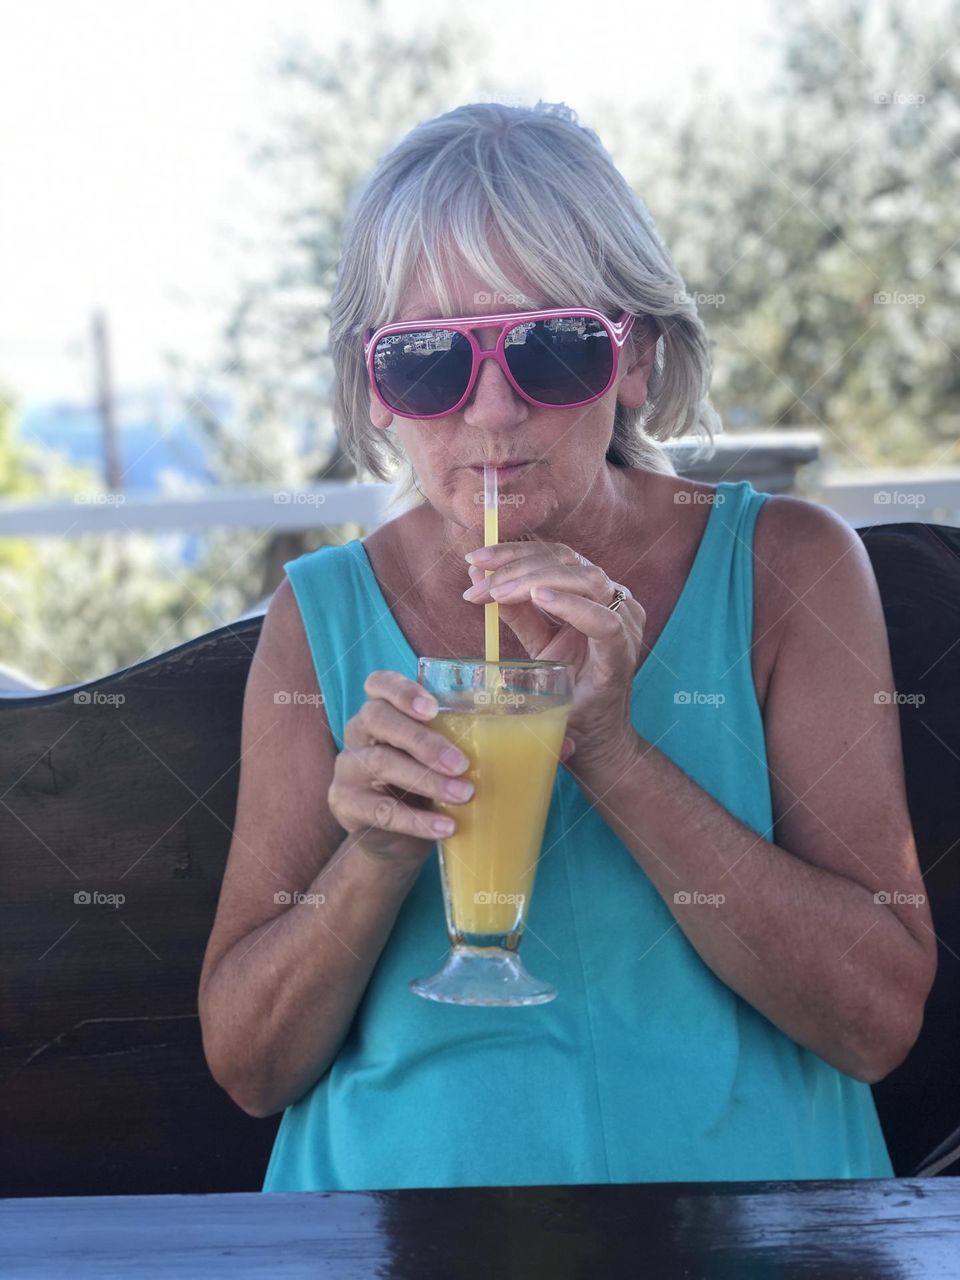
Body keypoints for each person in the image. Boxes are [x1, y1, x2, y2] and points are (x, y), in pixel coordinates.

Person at [198, 101, 935, 1191]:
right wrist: (380, 853)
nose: (492, 412)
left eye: (549, 346)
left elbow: (874, 1019)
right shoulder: (324, 613)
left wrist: (612, 749)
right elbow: (252, 1064)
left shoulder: (789, 570)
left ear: (633, 361)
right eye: (426, 362)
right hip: (393, 1235)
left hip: (757, 1232)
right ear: (375, 390)